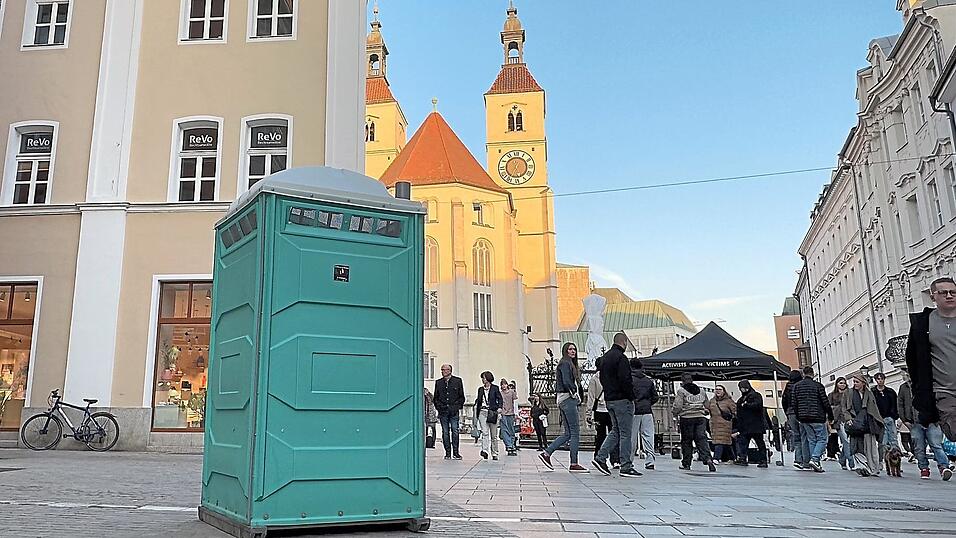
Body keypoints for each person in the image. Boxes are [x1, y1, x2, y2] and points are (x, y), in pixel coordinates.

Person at [906, 277, 956, 442]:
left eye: (953, 292)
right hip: (944, 392)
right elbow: (912, 359)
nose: (949, 296)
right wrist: (919, 390)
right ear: (933, 296)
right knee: (953, 431)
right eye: (944, 292)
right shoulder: (922, 324)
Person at [592, 332, 641, 477]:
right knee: (625, 433)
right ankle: (626, 465)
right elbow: (625, 379)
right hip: (622, 400)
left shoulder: (605, 358)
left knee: (616, 431)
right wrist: (631, 397)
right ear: (624, 342)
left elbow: (602, 379)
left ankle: (601, 457)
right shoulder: (621, 358)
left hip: (609, 400)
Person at [539, 343, 589, 473]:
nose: (573, 351)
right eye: (570, 349)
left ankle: (547, 453)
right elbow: (567, 381)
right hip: (568, 399)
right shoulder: (566, 364)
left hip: (563, 399)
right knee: (575, 432)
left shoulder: (565, 363)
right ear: (565, 351)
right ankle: (573, 463)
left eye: (574, 349)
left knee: (568, 433)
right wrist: (574, 393)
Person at [900, 369, 953, 480]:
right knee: (919, 447)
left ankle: (944, 467)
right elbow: (900, 403)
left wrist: (939, 417)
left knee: (936, 445)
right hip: (915, 422)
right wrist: (905, 420)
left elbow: (940, 400)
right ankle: (924, 468)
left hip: (932, 421)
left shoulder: (931, 384)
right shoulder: (904, 388)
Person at [792, 366, 833, 473]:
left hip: (803, 418)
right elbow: (825, 402)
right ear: (813, 374)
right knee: (822, 439)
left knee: (811, 439)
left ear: (803, 374)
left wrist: (798, 416)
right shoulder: (818, 386)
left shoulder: (796, 386)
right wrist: (830, 415)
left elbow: (794, 403)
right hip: (817, 417)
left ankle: (813, 461)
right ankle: (815, 459)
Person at [843, 372, 884, 477]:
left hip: (867, 423)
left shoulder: (869, 394)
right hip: (855, 423)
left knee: (870, 446)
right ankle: (861, 466)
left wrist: (877, 421)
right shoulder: (849, 393)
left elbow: (874, 409)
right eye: (854, 382)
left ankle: (872, 467)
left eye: (857, 382)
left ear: (863, 383)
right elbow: (845, 408)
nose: (855, 384)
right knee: (856, 445)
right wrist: (848, 419)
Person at [673, 373, 715, 472]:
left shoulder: (681, 391)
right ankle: (708, 459)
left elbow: (678, 406)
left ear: (682, 381)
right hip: (700, 418)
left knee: (687, 441)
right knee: (701, 439)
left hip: (687, 418)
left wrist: (675, 413)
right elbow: (707, 405)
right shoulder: (701, 391)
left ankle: (686, 463)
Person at [587, 356, 620, 468]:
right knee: (606, 434)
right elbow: (591, 397)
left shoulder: (600, 378)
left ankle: (609, 458)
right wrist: (589, 412)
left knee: (610, 434)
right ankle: (604, 458)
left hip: (606, 409)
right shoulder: (597, 379)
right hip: (602, 410)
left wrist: (588, 413)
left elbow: (591, 397)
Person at [630, 358, 659, 470]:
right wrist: (648, 403)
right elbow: (655, 397)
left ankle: (630, 460)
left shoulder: (630, 380)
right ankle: (650, 460)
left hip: (634, 411)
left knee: (632, 437)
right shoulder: (648, 381)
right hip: (647, 410)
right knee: (648, 436)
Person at [434, 364, 465, 460]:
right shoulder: (439, 382)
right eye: (442, 369)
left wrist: (457, 407)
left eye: (444, 370)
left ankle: (456, 452)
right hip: (443, 411)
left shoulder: (457, 381)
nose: (442, 371)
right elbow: (436, 397)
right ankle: (447, 452)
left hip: (453, 411)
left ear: (449, 371)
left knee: (455, 431)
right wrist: (439, 407)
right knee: (445, 432)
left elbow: (461, 396)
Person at [735, 380, 769, 468]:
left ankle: (762, 460)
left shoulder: (755, 396)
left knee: (758, 443)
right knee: (745, 443)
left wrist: (746, 405)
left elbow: (758, 405)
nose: (742, 389)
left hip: (754, 425)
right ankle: (744, 458)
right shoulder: (742, 399)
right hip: (748, 426)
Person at [781, 369, 808, 470]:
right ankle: (805, 460)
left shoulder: (787, 387)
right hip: (801, 413)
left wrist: (787, 413)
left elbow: (784, 401)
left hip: (791, 413)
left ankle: (798, 459)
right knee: (804, 436)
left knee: (796, 437)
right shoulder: (801, 386)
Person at [475, 371, 502, 460]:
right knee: (485, 432)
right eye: (482, 378)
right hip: (482, 412)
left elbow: (500, 399)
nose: (483, 380)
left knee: (494, 435)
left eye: (484, 378)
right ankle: (485, 450)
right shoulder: (480, 389)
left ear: (488, 378)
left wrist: (499, 408)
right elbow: (478, 401)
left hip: (492, 412)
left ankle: (495, 452)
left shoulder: (495, 388)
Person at [872, 372, 899, 459]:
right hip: (879, 419)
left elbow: (895, 404)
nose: (880, 381)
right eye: (878, 379)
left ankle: (895, 459)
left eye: (882, 379)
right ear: (876, 380)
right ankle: (883, 459)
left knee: (893, 440)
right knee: (882, 441)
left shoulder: (890, 392)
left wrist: (894, 416)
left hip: (890, 418)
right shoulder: (873, 392)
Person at [706, 385, 737, 464]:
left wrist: (730, 417)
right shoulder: (712, 401)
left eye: (720, 389)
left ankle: (716, 458)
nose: (718, 391)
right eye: (716, 389)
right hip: (714, 424)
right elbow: (708, 410)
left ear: (724, 391)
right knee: (726, 442)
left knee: (719, 441)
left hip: (725, 424)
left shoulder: (728, 401)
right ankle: (732, 458)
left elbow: (735, 411)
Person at [829, 377, 854, 470]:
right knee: (846, 441)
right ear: (836, 384)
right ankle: (851, 462)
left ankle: (842, 460)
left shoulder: (850, 394)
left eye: (844, 383)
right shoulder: (832, 395)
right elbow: (829, 408)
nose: (842, 385)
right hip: (838, 421)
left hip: (849, 420)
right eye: (840, 383)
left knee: (846, 441)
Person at [499, 378, 518, 456]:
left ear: (507, 385)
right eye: (502, 384)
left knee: (511, 430)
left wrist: (516, 413)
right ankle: (509, 445)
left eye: (505, 384)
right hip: (503, 413)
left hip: (511, 413)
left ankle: (512, 445)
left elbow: (515, 402)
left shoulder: (512, 392)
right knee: (504, 431)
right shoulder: (500, 393)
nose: (504, 386)